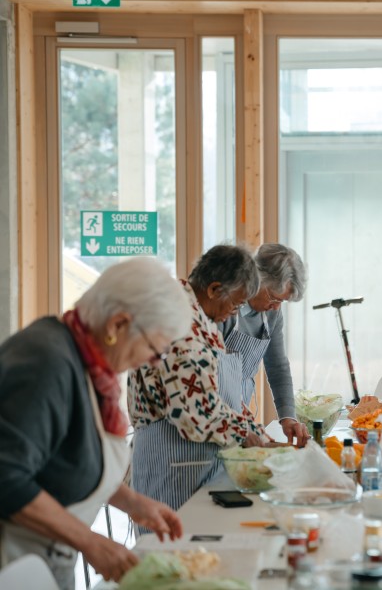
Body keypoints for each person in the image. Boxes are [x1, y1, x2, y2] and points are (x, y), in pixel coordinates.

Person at [0, 258, 189, 587]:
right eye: (154, 350)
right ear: (117, 325)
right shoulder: (47, 362)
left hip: (44, 561)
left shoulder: (89, 365)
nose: (154, 363)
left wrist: (132, 502)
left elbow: (66, 461)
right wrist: (90, 541)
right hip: (13, 565)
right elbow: (6, 475)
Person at [128, 244, 272, 514]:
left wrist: (258, 432)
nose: (235, 312)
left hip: (195, 464)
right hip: (170, 468)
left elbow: (222, 395)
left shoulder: (202, 319)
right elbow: (197, 414)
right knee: (172, 553)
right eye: (236, 303)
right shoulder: (176, 322)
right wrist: (247, 433)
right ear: (214, 289)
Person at [219, 243, 310, 447]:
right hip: (215, 408)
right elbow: (211, 377)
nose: (276, 307)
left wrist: (288, 417)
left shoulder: (272, 313)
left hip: (240, 409)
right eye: (274, 298)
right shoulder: (224, 309)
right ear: (257, 279)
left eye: (282, 302)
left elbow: (278, 366)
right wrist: (239, 426)